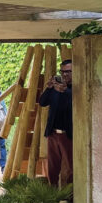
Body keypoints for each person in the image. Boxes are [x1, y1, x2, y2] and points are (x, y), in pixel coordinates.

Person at [38, 59, 73, 188]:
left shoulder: (78, 88)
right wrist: (49, 88)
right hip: (53, 133)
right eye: (62, 72)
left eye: (68, 72)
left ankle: (71, 200)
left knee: (71, 168)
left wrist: (64, 90)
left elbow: (74, 102)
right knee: (52, 167)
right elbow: (42, 102)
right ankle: (52, 197)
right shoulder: (55, 87)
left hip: (69, 134)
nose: (65, 75)